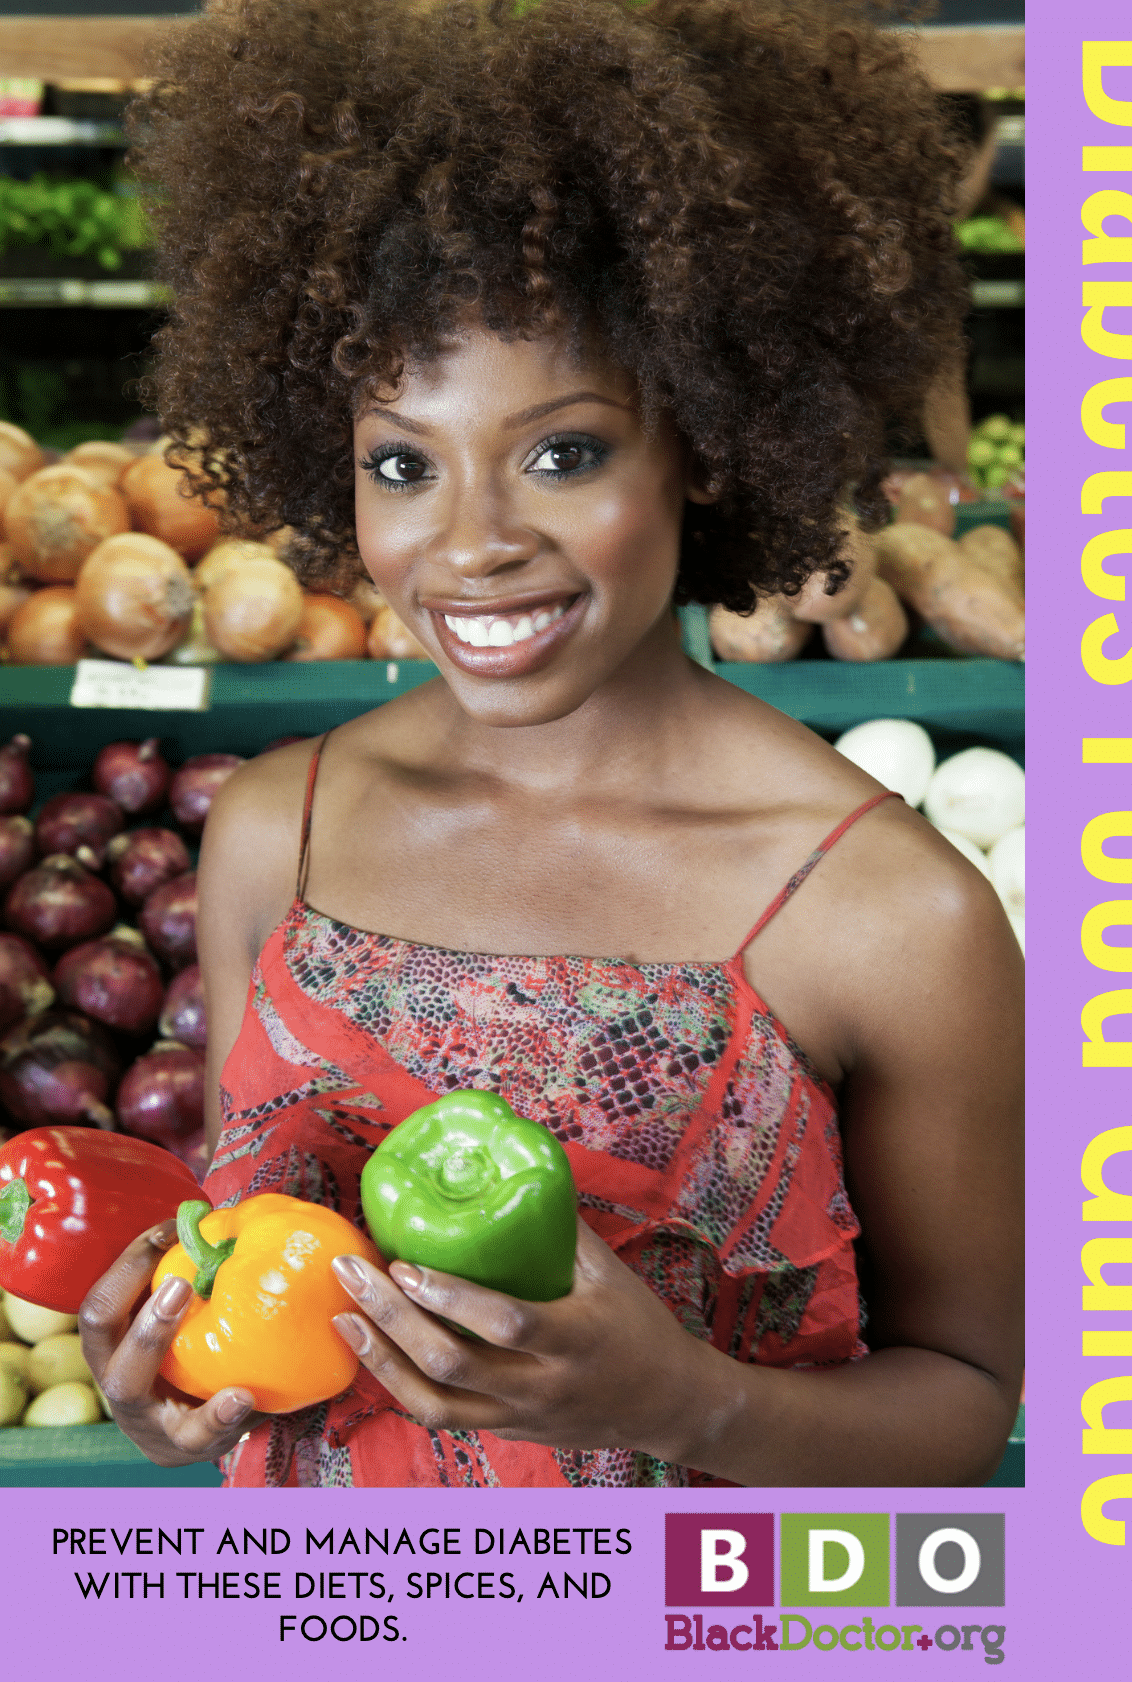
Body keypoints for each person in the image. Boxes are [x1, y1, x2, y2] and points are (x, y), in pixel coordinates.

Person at [79, 0, 1023, 1489]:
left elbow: (963, 1411)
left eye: (562, 453)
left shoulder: (894, 916)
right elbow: (250, 1249)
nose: (471, 544)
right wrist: (174, 1387)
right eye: (403, 463)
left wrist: (689, 1404)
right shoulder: (275, 828)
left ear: (706, 439)